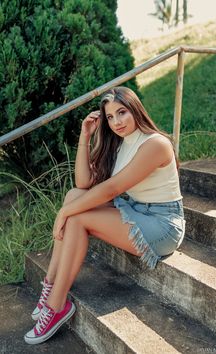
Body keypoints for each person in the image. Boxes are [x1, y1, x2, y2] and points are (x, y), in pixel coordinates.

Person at [24, 86, 185, 345]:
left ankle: (56, 307)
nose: (116, 122)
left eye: (122, 112)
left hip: (161, 224)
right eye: (110, 117)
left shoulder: (155, 143)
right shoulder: (119, 144)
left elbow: (111, 188)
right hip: (134, 209)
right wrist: (85, 137)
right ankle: (50, 284)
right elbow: (83, 183)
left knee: (76, 216)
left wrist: (63, 214)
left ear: (135, 109)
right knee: (73, 197)